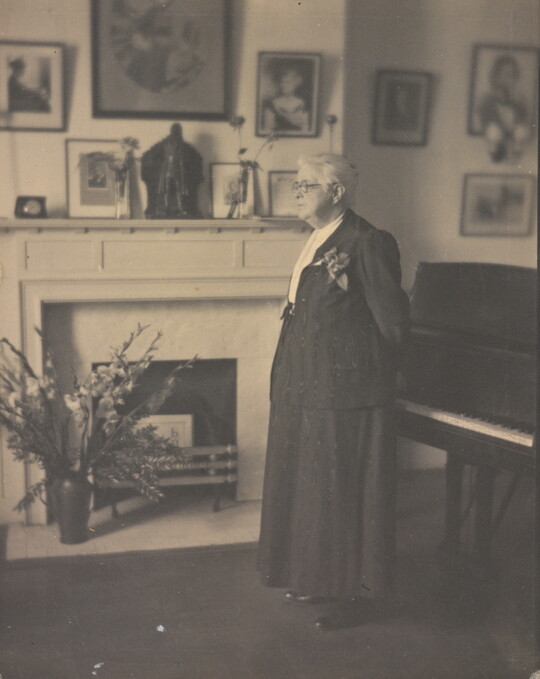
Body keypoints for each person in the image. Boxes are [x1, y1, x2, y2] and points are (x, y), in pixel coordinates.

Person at [257, 153, 409, 631]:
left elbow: (394, 325)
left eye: (306, 185)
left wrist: (374, 384)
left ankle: (357, 595)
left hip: (346, 394)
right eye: (296, 185)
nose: (296, 192)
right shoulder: (316, 238)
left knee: (342, 493)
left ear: (337, 192)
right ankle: (319, 579)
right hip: (305, 387)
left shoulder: (368, 241)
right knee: (311, 491)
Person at [140, 123, 203, 219]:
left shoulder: (184, 148)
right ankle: (166, 208)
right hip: (167, 172)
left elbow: (191, 160)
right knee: (167, 190)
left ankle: (181, 208)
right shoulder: (164, 145)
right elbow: (149, 157)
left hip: (178, 173)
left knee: (179, 190)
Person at [477, 54, 530, 162]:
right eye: (503, 73)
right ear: (495, 76)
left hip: (513, 136)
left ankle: (515, 151)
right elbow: (485, 118)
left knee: (521, 132)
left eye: (510, 74)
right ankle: (496, 151)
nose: (506, 78)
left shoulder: (519, 100)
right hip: (495, 135)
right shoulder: (487, 99)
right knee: (493, 132)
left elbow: (522, 119)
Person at [262, 65, 309, 132]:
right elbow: (267, 129)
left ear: (296, 84)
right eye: (282, 82)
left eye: (288, 82)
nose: (284, 85)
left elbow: (306, 129)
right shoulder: (272, 104)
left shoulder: (303, 104)